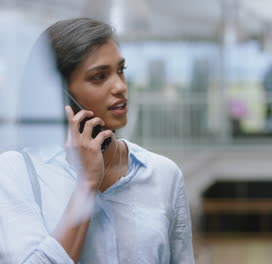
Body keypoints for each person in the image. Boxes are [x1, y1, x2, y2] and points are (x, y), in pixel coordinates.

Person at [0, 18, 194, 263]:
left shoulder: (163, 174)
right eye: (99, 76)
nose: (120, 87)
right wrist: (87, 185)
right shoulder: (15, 173)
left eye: (120, 70)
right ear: (59, 93)